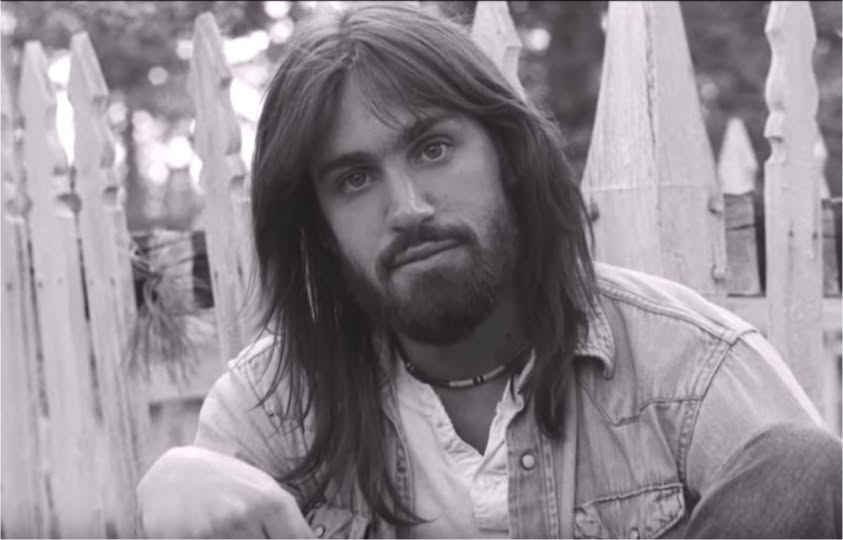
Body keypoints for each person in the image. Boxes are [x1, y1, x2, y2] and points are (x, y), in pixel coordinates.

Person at [137, 3, 842, 538]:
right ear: (317, 227)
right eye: (354, 180)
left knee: (797, 471)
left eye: (434, 149)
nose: (407, 208)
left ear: (508, 156)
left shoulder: (690, 370)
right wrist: (173, 491)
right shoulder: (273, 406)